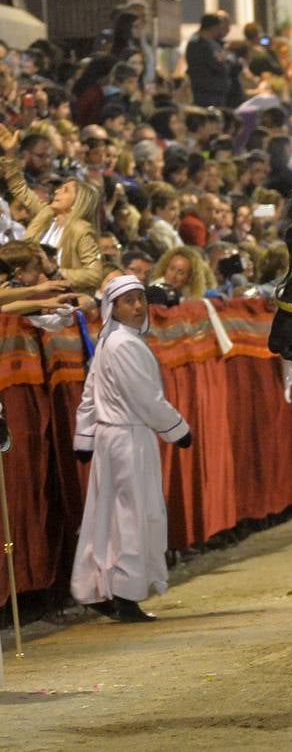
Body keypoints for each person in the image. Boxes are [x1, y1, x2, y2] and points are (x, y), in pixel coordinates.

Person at [71, 275, 192, 622]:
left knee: (106, 515)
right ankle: (125, 592)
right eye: (129, 301)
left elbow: (89, 395)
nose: (138, 307)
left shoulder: (110, 341)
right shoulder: (123, 344)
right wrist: (177, 429)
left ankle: (97, 587)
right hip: (128, 439)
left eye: (141, 299)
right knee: (132, 514)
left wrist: (86, 436)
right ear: (114, 307)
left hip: (114, 439)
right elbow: (146, 399)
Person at [0, 148, 103, 293]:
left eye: (65, 190)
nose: (56, 191)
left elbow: (94, 275)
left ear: (79, 202)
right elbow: (20, 189)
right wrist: (10, 154)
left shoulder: (82, 230)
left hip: (58, 295)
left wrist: (53, 270)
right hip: (28, 288)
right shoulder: (45, 214)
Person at [185, 14, 231, 108]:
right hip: (206, 92)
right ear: (213, 27)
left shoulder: (214, 43)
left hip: (216, 91)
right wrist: (222, 62)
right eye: (219, 27)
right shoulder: (198, 44)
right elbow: (216, 64)